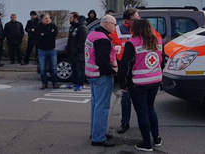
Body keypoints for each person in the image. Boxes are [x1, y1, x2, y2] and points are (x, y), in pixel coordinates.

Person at [110, 8, 162, 134]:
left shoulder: (145, 29)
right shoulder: (117, 31)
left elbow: (156, 41)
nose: (138, 20)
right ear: (127, 20)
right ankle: (125, 122)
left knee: (145, 109)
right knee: (126, 99)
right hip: (127, 69)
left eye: (139, 17)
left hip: (141, 71)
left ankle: (146, 130)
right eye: (135, 19)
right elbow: (109, 45)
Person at [119, 19, 163, 152]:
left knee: (142, 112)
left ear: (135, 29)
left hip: (138, 83)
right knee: (150, 108)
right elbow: (163, 60)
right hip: (155, 80)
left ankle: (146, 143)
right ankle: (156, 138)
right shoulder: (158, 41)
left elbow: (125, 66)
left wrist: (123, 83)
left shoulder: (132, 43)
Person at [86, 15, 117, 147]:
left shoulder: (92, 34)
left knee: (95, 105)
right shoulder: (102, 39)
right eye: (114, 25)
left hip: (91, 74)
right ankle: (98, 137)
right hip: (101, 76)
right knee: (102, 107)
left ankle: (96, 132)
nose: (115, 28)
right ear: (107, 24)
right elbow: (102, 61)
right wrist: (111, 72)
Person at [35, 14, 59, 90]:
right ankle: (44, 83)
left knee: (53, 68)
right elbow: (39, 37)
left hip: (52, 49)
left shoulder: (53, 26)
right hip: (42, 50)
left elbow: (55, 34)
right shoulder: (38, 27)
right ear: (42, 19)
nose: (48, 20)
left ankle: (55, 82)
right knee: (42, 68)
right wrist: (49, 34)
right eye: (46, 18)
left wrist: (44, 34)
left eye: (49, 18)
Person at [66, 12, 88, 91]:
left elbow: (82, 41)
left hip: (79, 54)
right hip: (72, 53)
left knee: (80, 70)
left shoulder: (82, 27)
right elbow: (70, 39)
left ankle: (80, 84)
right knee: (74, 69)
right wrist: (68, 49)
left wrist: (76, 51)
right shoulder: (72, 27)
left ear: (75, 18)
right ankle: (74, 82)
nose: (70, 19)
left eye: (71, 18)